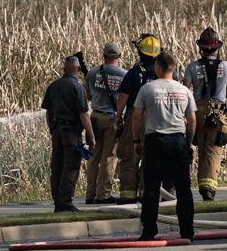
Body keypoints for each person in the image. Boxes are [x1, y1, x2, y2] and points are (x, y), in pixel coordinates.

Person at [132, 51, 196, 242]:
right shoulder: (184, 90)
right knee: (183, 189)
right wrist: (189, 143)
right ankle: (187, 231)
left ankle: (149, 230)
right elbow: (191, 119)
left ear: (158, 67)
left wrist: (137, 141)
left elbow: (137, 116)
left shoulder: (148, 89)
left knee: (151, 188)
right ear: (173, 68)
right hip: (178, 141)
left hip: (155, 140)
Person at [183, 27, 227, 201]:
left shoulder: (192, 67)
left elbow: (185, 91)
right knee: (214, 149)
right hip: (218, 111)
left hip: (197, 110)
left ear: (201, 48)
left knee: (203, 148)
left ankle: (203, 185)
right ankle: (208, 188)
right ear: (217, 48)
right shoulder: (226, 67)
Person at [41, 55, 96, 212]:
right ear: (78, 69)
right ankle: (65, 202)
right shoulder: (77, 88)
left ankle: (58, 201)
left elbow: (48, 112)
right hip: (72, 133)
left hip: (57, 131)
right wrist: (91, 137)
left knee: (57, 166)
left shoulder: (53, 86)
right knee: (71, 166)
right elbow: (83, 114)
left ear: (64, 69)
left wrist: (52, 129)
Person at [114, 33, 161, 203]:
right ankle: (146, 193)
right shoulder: (164, 74)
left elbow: (123, 97)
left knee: (128, 156)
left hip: (135, 116)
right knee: (151, 158)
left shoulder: (134, 73)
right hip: (156, 118)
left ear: (140, 53)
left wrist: (118, 117)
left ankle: (127, 196)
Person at [84, 41, 127, 204]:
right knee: (109, 157)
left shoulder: (93, 72)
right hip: (112, 119)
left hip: (94, 117)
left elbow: (87, 95)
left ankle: (90, 195)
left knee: (93, 157)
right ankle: (103, 194)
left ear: (104, 55)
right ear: (119, 57)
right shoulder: (124, 74)